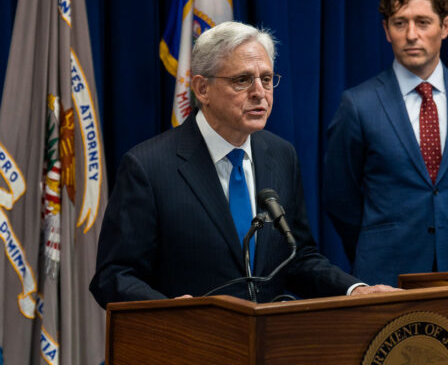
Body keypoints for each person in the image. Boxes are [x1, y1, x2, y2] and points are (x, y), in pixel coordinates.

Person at [90, 22, 393, 307]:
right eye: (243, 80)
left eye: (266, 79)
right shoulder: (148, 166)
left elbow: (297, 257)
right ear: (202, 88)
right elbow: (113, 275)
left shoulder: (281, 155)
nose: (259, 92)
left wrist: (354, 289)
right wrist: (167, 312)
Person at [323, 0, 448, 287]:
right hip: (384, 271)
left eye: (423, 22)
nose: (411, 35)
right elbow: (340, 198)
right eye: (400, 23)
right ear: (386, 31)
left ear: (445, 26)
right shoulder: (358, 104)